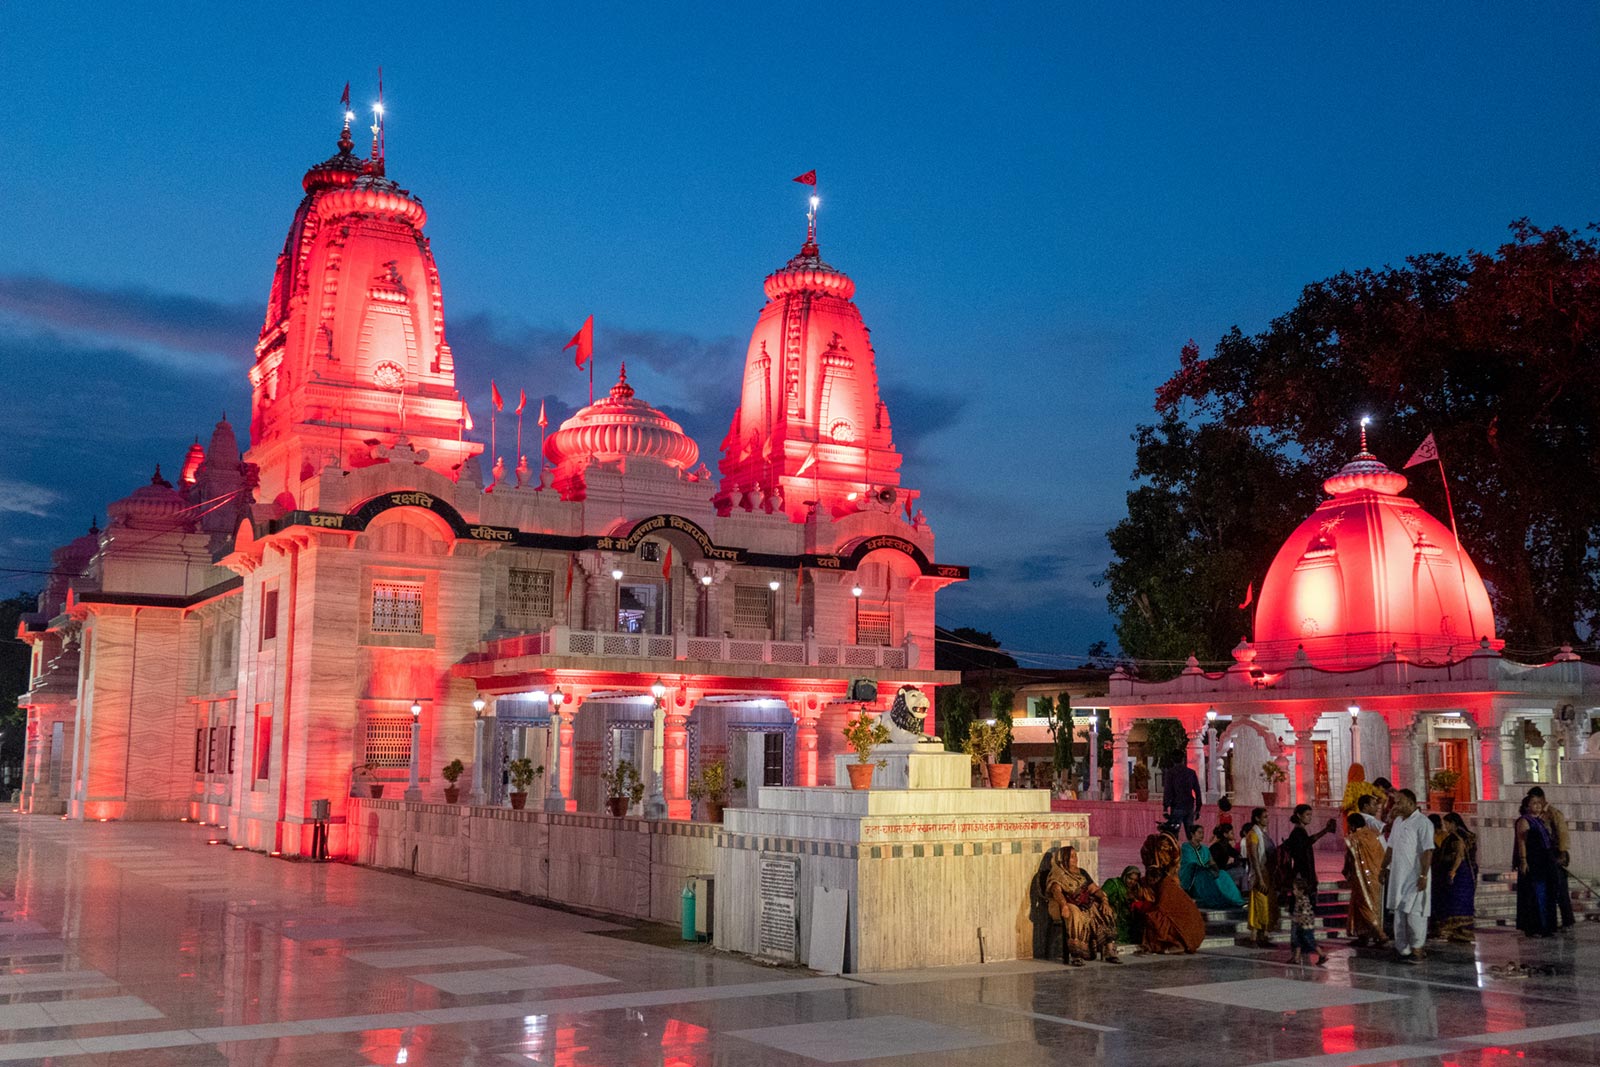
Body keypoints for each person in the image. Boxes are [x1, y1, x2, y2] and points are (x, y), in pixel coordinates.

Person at [1044, 845, 1120, 965]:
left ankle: (1109, 950)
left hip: (1085, 903)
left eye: (1076, 856)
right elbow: (1056, 892)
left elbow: (1094, 889)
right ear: (1063, 859)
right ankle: (1076, 954)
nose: (1076, 859)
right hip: (1067, 904)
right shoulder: (1057, 875)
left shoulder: (1081, 872)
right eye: (1072, 857)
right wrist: (1064, 905)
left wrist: (1104, 900)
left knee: (1104, 909)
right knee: (1074, 914)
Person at [1135, 826, 1206, 954]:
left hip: (1188, 928)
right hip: (1193, 928)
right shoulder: (1163, 879)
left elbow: (1162, 907)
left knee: (1154, 918)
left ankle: (1177, 944)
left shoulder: (1166, 884)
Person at [1382, 788, 1434, 963]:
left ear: (1411, 803)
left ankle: (1417, 949)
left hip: (1415, 877)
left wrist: (1423, 875)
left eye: (1399, 802)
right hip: (1399, 877)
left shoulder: (1423, 823)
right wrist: (1383, 868)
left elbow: (1427, 850)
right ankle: (1402, 949)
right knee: (1399, 913)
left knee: (1415, 913)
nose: (1396, 805)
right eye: (1395, 802)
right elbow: (1390, 847)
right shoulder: (1398, 822)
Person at [1284, 803, 1338, 965]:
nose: (1310, 817)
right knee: (1299, 923)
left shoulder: (1300, 834)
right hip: (1302, 881)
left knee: (1300, 924)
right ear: (1299, 816)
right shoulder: (1297, 834)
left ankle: (1299, 954)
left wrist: (1325, 831)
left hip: (1305, 881)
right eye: (1307, 815)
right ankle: (1298, 954)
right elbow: (1303, 854)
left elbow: (1309, 842)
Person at [1526, 787, 1575, 929]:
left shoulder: (1553, 813)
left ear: (1541, 799)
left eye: (1536, 800)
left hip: (1555, 855)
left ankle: (1568, 920)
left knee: (1560, 890)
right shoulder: (1537, 816)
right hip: (1544, 858)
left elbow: (1562, 834)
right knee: (1551, 891)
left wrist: (1561, 854)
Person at [1513, 793, 1559, 938]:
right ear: (1527, 806)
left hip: (1545, 861)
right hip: (1533, 862)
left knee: (1547, 893)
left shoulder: (1540, 821)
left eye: (1539, 803)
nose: (1538, 806)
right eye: (1534, 803)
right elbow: (1522, 842)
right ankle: (1536, 926)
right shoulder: (1524, 821)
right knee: (1536, 894)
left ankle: (1548, 925)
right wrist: (1524, 860)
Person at [1342, 811, 1388, 948]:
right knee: (1371, 905)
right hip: (1376, 875)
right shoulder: (1374, 836)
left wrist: (1346, 871)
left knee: (1365, 906)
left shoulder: (1354, 838)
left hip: (1361, 877)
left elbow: (1350, 858)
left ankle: (1380, 934)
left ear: (1352, 825)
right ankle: (1364, 936)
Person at [1432, 811, 1477, 943]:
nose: (1445, 826)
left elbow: (1459, 855)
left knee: (1457, 902)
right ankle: (1460, 932)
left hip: (1460, 875)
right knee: (1463, 903)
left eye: (1447, 823)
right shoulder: (1468, 835)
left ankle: (1459, 931)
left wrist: (1452, 871)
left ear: (1453, 823)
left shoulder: (1457, 837)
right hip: (1468, 873)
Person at [1180, 823, 1244, 909]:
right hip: (1192, 875)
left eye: (1203, 833)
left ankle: (1236, 900)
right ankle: (1217, 900)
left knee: (1222, 873)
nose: (1202, 835)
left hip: (1206, 871)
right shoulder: (1186, 847)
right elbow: (1190, 862)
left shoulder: (1205, 848)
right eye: (1199, 833)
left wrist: (1216, 870)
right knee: (1204, 874)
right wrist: (1205, 869)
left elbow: (1212, 862)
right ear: (1192, 834)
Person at [1242, 806, 1279, 947]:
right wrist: (1260, 878)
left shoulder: (1263, 834)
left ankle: (1264, 936)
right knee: (1258, 906)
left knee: (1267, 905)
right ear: (1257, 818)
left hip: (1267, 873)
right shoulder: (1253, 835)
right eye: (1264, 817)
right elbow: (1254, 858)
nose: (1267, 819)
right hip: (1259, 875)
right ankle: (1254, 938)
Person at [1103, 865, 1142, 946]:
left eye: (1135, 880)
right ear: (1124, 876)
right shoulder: (1114, 884)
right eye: (1130, 879)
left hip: (1128, 921)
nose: (1132, 882)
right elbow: (1102, 895)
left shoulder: (1136, 889)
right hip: (1114, 917)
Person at [1163, 757, 1203, 831]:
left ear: (1173, 760)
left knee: (1174, 832)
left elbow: (1167, 791)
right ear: (1183, 759)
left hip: (1176, 805)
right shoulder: (1191, 773)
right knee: (1190, 832)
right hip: (1189, 805)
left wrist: (1165, 807)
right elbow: (1197, 790)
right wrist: (1198, 807)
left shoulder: (1170, 773)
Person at [1211, 824, 1248, 894]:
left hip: (1225, 870)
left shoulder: (1226, 845)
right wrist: (1227, 862)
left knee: (1240, 869)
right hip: (1219, 873)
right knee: (1242, 872)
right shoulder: (1216, 847)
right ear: (1225, 834)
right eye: (1231, 833)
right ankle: (1244, 892)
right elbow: (1215, 864)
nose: (1233, 834)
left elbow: (1237, 854)